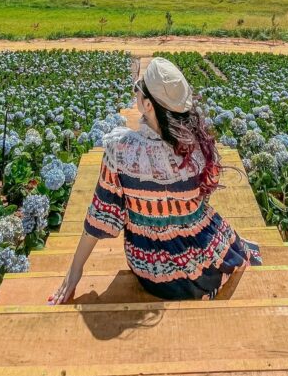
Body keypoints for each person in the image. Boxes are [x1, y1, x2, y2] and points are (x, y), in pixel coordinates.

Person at [49, 56, 261, 304]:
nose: (136, 92)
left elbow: (101, 217)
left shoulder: (122, 151)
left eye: (139, 89)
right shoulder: (197, 146)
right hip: (206, 269)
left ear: (148, 105)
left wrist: (75, 271)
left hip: (153, 273)